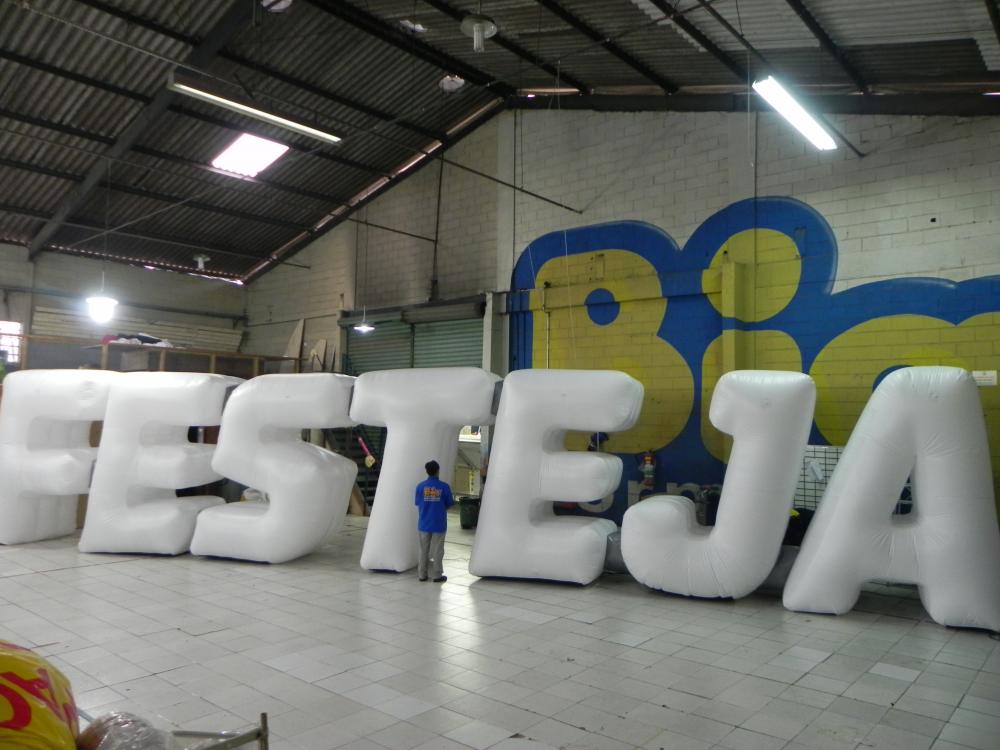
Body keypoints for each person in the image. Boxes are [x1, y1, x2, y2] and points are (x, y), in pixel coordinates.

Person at [414, 459, 453, 582]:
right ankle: (436, 575)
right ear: (438, 471)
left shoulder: (420, 487)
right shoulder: (444, 487)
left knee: (423, 550)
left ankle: (422, 574)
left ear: (427, 471)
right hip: (439, 523)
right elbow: (449, 503)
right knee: (438, 550)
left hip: (424, 523)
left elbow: (417, 503)